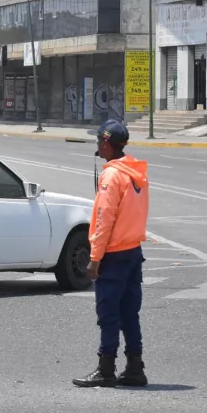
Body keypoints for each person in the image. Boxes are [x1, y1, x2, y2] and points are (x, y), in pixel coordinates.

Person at [74, 121, 150, 389]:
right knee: (130, 312)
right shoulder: (136, 173)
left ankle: (106, 369)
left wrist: (95, 258)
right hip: (133, 251)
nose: (97, 147)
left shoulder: (112, 176)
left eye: (98, 142)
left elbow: (105, 219)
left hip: (114, 254)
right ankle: (135, 367)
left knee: (108, 314)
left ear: (106, 144)